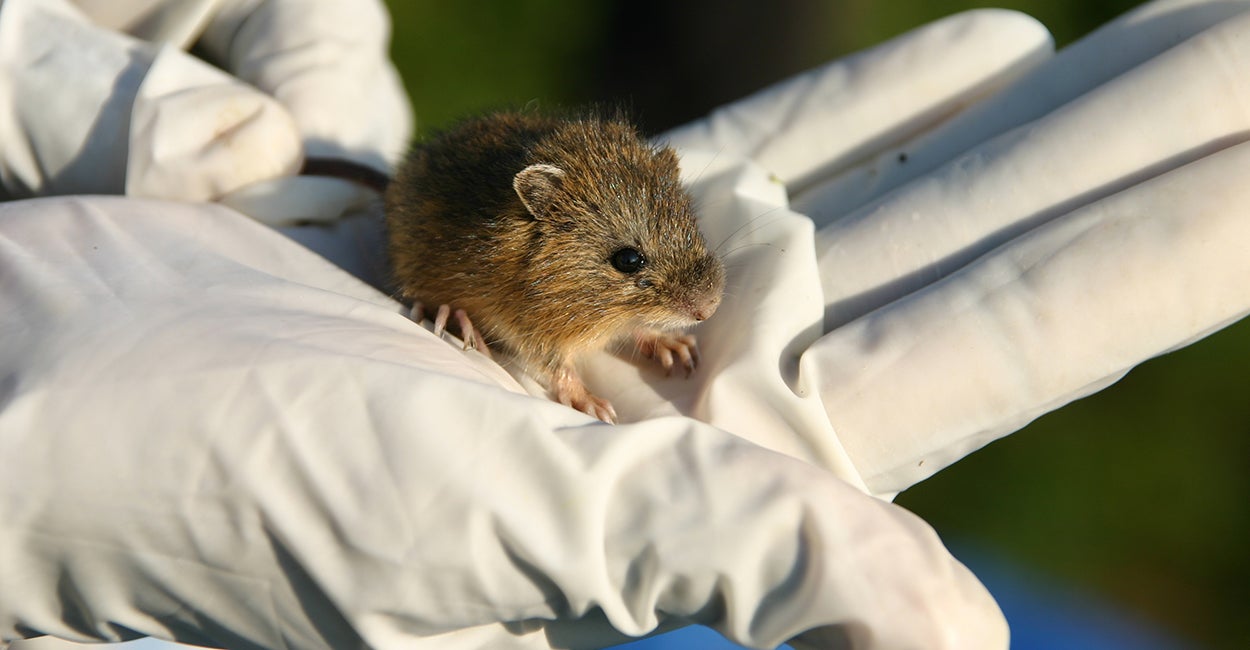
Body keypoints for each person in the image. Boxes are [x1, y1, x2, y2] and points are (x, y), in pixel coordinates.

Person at [3, 0, 1248, 648]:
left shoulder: (625, 230)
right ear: (537, 227)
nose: (694, 295)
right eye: (633, 270)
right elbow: (535, 323)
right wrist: (561, 366)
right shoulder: (507, 263)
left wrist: (641, 323)